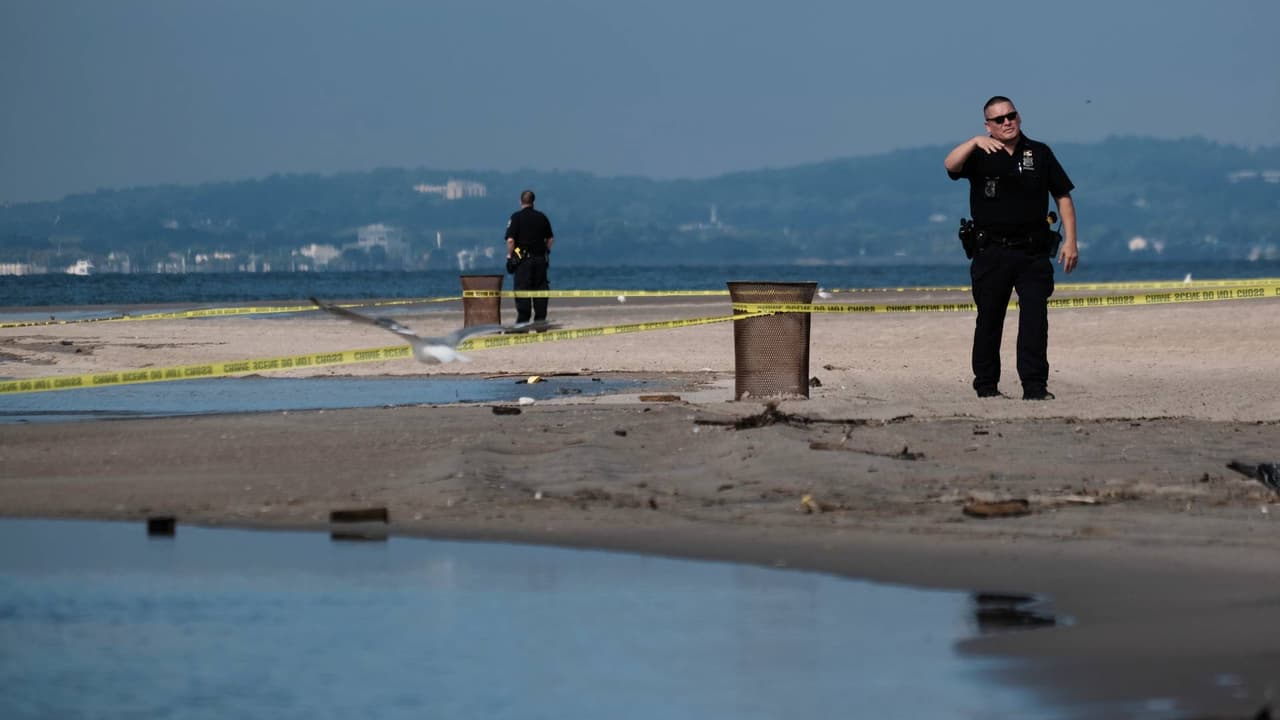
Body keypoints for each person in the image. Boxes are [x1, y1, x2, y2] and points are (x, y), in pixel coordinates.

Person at [945, 96, 1079, 400]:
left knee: (1035, 319)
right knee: (989, 319)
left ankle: (1034, 387)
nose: (1007, 122)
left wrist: (1071, 241)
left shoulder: (1039, 152)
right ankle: (987, 387)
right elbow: (950, 165)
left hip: (1032, 251)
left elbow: (1063, 197)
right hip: (991, 251)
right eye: (999, 119)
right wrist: (974, 142)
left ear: (1019, 117)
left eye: (1011, 116)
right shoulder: (980, 152)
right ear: (988, 126)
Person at [504, 190, 555, 325]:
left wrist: (510, 256)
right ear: (534, 202)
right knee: (540, 291)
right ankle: (540, 321)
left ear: (520, 202)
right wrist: (546, 251)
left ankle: (523, 322)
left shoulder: (516, 217)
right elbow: (550, 239)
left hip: (522, 257)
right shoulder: (542, 217)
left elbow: (510, 240)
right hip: (539, 258)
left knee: (522, 291)